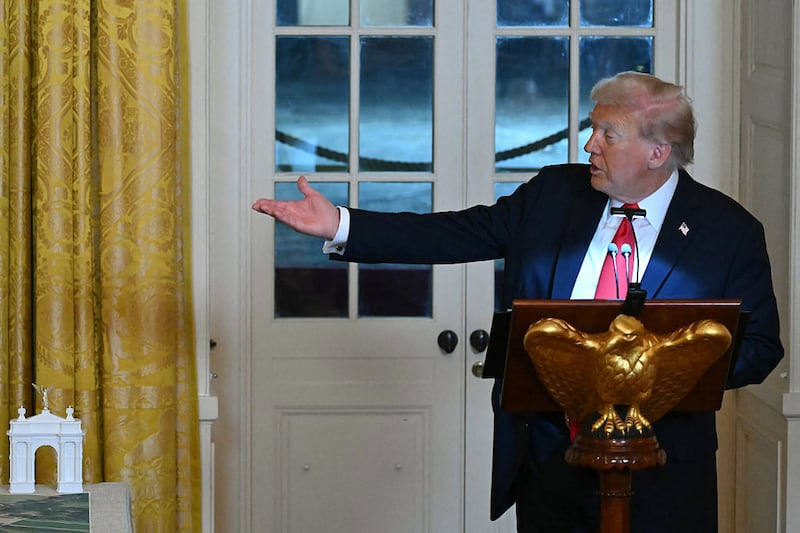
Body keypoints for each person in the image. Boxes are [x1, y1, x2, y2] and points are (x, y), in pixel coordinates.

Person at [252, 72, 784, 532]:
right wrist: (342, 225)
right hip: (550, 460)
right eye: (592, 128)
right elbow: (458, 233)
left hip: (665, 470)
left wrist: (659, 372)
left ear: (657, 151)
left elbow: (761, 347)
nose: (588, 145)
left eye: (607, 134)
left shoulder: (728, 232)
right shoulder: (555, 195)